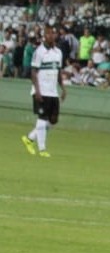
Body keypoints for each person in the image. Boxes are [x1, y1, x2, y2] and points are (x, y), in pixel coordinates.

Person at [21, 24, 65, 158]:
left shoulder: (58, 52)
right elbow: (33, 72)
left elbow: (58, 71)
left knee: (53, 120)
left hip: (53, 91)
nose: (51, 35)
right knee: (42, 118)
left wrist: (63, 88)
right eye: (49, 33)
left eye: (53, 33)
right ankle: (42, 149)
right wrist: (37, 91)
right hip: (41, 91)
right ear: (44, 36)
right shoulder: (39, 52)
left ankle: (29, 138)